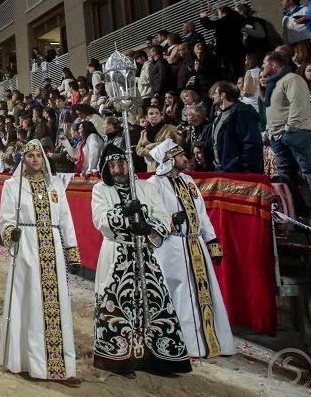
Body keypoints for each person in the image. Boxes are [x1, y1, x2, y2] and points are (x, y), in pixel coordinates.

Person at [91, 142, 191, 378]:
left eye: (122, 163)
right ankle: (119, 359)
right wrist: (124, 214)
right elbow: (101, 219)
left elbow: (162, 215)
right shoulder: (100, 190)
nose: (118, 169)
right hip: (118, 252)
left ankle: (156, 357)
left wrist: (147, 226)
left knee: (152, 304)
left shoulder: (145, 187)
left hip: (145, 253)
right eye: (113, 165)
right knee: (117, 304)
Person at [0, 139, 81, 385]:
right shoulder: (13, 185)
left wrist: (72, 251)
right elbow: (5, 218)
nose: (35, 159)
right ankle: (27, 362)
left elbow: (66, 219)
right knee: (30, 304)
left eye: (38, 155)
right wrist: (10, 232)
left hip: (53, 250)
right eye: (30, 155)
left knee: (58, 306)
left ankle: (62, 367)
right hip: (26, 249)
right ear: (23, 158)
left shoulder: (55, 185)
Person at [147, 141, 236, 359]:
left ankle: (212, 342)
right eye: (179, 155)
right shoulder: (154, 184)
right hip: (172, 246)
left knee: (204, 294)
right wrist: (169, 221)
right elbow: (151, 213)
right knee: (180, 296)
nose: (184, 158)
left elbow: (202, 213)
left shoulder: (188, 181)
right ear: (168, 159)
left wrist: (212, 241)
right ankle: (186, 344)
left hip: (195, 245)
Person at [262, 51, 311, 221]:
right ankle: (300, 208)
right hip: (278, 136)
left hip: (295, 132)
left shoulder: (292, 79)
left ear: (273, 64)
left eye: (264, 63)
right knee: (286, 174)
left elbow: (299, 105)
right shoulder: (274, 84)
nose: (263, 68)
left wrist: (289, 129)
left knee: (308, 168)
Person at [210, 82, 263, 173]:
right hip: (222, 169)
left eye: (215, 93)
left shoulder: (241, 112)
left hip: (237, 171)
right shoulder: (220, 116)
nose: (213, 96)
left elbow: (251, 142)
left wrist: (244, 168)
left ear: (223, 95)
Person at [136, 104, 182, 171]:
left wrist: (147, 147)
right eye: (151, 114)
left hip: (167, 167)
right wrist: (151, 152)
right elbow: (138, 150)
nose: (154, 115)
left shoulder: (170, 129)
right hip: (151, 168)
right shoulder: (143, 132)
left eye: (157, 113)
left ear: (161, 116)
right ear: (146, 117)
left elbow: (169, 146)